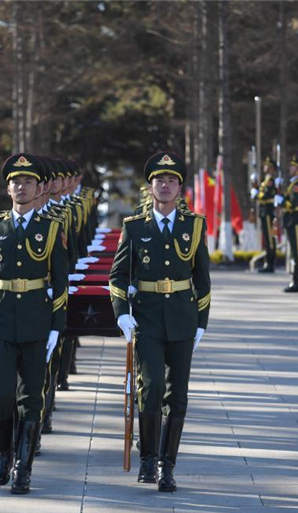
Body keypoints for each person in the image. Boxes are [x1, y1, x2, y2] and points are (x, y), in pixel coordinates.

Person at [109, 151, 211, 492]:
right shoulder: (134, 226)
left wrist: (202, 322)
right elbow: (118, 275)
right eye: (159, 181)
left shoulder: (194, 225)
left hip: (182, 317)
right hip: (148, 318)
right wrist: (122, 311)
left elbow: (203, 277)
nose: (165, 186)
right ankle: (148, 460)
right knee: (150, 388)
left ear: (180, 188)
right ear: (150, 187)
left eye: (171, 181)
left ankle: (168, 466)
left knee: (177, 396)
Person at [0, 153, 68, 494]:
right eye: (15, 182)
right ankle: (3, 454)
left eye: (28, 182)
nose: (21, 187)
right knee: (1, 394)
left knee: (33, 398)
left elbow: (60, 283)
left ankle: (24, 467)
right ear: (8, 188)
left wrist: (57, 326)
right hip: (0, 320)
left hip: (37, 323)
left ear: (38, 187)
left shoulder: (51, 229)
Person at [275, 155, 298, 292]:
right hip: (290, 220)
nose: (291, 168)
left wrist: (281, 201)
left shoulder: (297, 185)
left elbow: (294, 203)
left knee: (297, 252)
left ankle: (297, 282)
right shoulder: (292, 184)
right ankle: (295, 281)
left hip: (295, 219)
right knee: (294, 251)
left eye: (294, 166)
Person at [253, 157, 277, 273]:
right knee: (267, 238)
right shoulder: (266, 180)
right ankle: (268, 262)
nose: (264, 167)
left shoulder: (270, 180)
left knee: (269, 238)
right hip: (263, 210)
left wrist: (257, 194)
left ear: (271, 168)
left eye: (267, 165)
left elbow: (266, 195)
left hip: (268, 210)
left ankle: (270, 263)